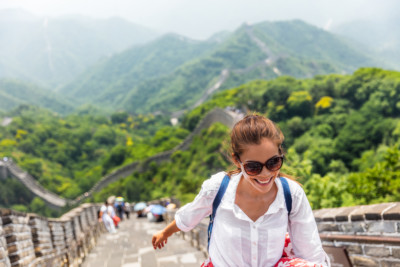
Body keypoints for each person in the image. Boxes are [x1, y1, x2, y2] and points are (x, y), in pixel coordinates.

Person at [152, 114, 330, 266]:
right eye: (254, 167)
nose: (266, 174)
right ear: (237, 161)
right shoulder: (218, 188)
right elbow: (188, 217)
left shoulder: (291, 194)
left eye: (273, 162)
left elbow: (310, 251)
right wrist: (164, 233)